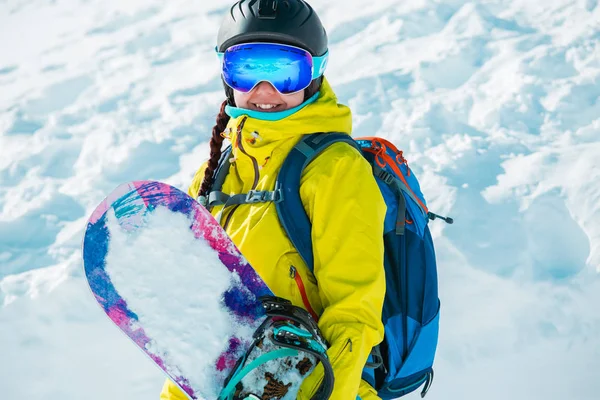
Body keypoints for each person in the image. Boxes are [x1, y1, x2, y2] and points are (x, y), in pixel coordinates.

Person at [160, 1, 386, 399]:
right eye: (247, 69)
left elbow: (355, 313)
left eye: (284, 71)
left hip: (324, 387)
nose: (265, 92)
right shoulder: (217, 169)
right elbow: (202, 318)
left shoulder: (335, 169)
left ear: (314, 72)